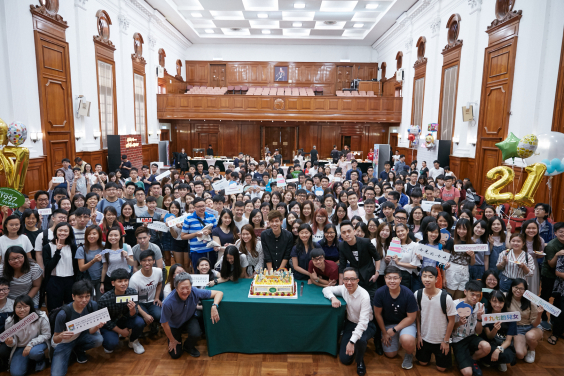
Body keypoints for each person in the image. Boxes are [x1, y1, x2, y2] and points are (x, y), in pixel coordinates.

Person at [323, 267, 376, 376]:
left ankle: (360, 361)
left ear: (358, 280)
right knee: (345, 360)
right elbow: (326, 289)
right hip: (350, 324)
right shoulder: (343, 288)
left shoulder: (364, 296)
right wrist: (333, 298)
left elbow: (363, 323)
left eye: (352, 279)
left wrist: (352, 342)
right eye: (346, 279)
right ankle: (354, 344)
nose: (349, 282)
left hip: (366, 325)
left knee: (360, 340)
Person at [160, 272, 223, 358]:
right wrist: (172, 340)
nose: (185, 291)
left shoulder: (194, 291)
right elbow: (164, 324)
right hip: (174, 324)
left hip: (189, 318)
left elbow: (219, 293)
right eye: (182, 288)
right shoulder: (168, 303)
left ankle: (188, 346)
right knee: (175, 355)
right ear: (176, 288)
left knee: (196, 333)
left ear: (191, 286)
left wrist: (214, 306)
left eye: (188, 287)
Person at [50, 280, 105, 375]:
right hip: (63, 343)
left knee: (98, 339)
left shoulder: (92, 306)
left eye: (87, 296)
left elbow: (91, 331)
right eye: (80, 297)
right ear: (73, 296)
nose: (84, 300)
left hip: (80, 336)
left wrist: (97, 326)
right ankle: (71, 351)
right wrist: (61, 335)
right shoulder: (63, 314)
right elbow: (55, 339)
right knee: (56, 374)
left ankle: (78, 350)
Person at [373, 265, 417, 369]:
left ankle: (409, 354)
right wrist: (384, 332)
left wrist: (395, 329)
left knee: (406, 339)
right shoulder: (380, 293)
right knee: (391, 355)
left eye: (395, 278)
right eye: (389, 278)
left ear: (400, 279)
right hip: (388, 324)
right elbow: (377, 314)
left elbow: (411, 318)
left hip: (406, 323)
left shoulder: (408, 294)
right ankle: (398, 339)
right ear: (385, 279)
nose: (392, 281)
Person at [414, 266, 456, 372]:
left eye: (430, 277)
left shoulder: (446, 298)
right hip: (424, 338)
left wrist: (446, 341)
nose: (427, 279)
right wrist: (418, 336)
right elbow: (417, 317)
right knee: (422, 363)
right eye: (424, 276)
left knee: (442, 369)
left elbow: (452, 320)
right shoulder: (417, 294)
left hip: (441, 340)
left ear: (436, 279)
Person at [98, 268, 146, 355]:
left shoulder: (132, 292)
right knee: (110, 345)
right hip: (111, 323)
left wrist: (132, 310)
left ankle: (133, 341)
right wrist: (120, 331)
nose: (123, 284)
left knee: (140, 322)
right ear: (113, 283)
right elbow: (105, 321)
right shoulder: (104, 299)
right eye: (120, 281)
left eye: (126, 280)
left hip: (125, 320)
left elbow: (134, 316)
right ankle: (113, 336)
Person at [451, 280, 490, 376]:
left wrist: (480, 319)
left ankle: (472, 360)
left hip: (472, 337)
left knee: (486, 347)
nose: (475, 298)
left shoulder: (480, 307)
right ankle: (464, 361)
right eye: (472, 294)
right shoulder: (454, 304)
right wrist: (459, 323)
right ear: (465, 292)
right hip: (458, 339)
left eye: (478, 295)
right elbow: (449, 328)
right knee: (467, 373)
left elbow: (479, 331)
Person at [4, 294, 50, 375]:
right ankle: (28, 361)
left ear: (31, 307)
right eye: (18, 307)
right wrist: (10, 342)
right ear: (14, 308)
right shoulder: (10, 321)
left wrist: (30, 344)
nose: (22, 310)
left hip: (37, 344)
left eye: (25, 306)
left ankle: (39, 360)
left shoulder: (41, 316)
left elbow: (47, 335)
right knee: (16, 373)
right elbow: (12, 342)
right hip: (20, 347)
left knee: (34, 352)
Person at [43, 222, 79, 312]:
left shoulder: (73, 247)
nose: (62, 233)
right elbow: (48, 267)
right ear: (55, 232)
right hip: (54, 281)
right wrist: (57, 251)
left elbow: (76, 267)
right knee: (54, 309)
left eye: (65, 231)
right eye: (60, 230)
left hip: (70, 281)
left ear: (69, 232)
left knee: (70, 309)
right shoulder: (48, 247)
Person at [506, 278, 543, 363]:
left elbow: (535, 324)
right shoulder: (506, 298)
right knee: (520, 354)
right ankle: (526, 343)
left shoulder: (531, 302)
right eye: (516, 287)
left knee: (530, 336)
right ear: (511, 287)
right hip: (517, 328)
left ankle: (532, 349)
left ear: (525, 290)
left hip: (532, 327)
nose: (518, 290)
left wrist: (539, 314)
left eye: (521, 288)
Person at [481, 290, 517, 372]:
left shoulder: (510, 317)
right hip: (490, 342)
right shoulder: (485, 314)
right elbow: (489, 336)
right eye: (494, 301)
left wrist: (498, 350)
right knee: (486, 350)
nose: (497, 304)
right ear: (490, 301)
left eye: (501, 302)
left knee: (508, 355)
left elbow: (508, 341)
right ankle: (490, 361)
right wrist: (495, 329)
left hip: (503, 344)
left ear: (504, 302)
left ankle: (500, 361)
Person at [129, 249, 163, 336]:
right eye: (144, 260)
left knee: (159, 315)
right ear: (140, 262)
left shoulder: (158, 271)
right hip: (139, 303)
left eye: (149, 260)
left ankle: (153, 324)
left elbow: (159, 284)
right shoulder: (134, 279)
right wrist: (144, 315)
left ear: (154, 261)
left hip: (152, 301)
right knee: (143, 319)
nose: (147, 263)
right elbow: (133, 301)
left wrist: (157, 297)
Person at [181, 197, 218, 269]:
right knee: (198, 272)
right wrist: (195, 234)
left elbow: (216, 231)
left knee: (211, 271)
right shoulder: (188, 219)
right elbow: (183, 236)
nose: (202, 208)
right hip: (196, 251)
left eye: (203, 206)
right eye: (199, 207)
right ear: (194, 207)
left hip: (210, 250)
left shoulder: (211, 217)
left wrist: (210, 231)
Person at [540, 221, 564, 332]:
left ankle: (555, 320)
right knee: (546, 296)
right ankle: (543, 317)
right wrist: (557, 254)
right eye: (561, 232)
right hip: (549, 274)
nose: (563, 234)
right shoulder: (551, 246)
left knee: (558, 297)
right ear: (555, 233)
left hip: (560, 277)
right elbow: (551, 264)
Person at [75, 225, 104, 301]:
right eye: (89, 234)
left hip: (100, 279)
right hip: (87, 280)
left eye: (94, 233)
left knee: (100, 302)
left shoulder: (104, 246)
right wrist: (93, 261)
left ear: (99, 235)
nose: (91, 236)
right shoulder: (81, 249)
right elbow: (81, 268)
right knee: (87, 302)